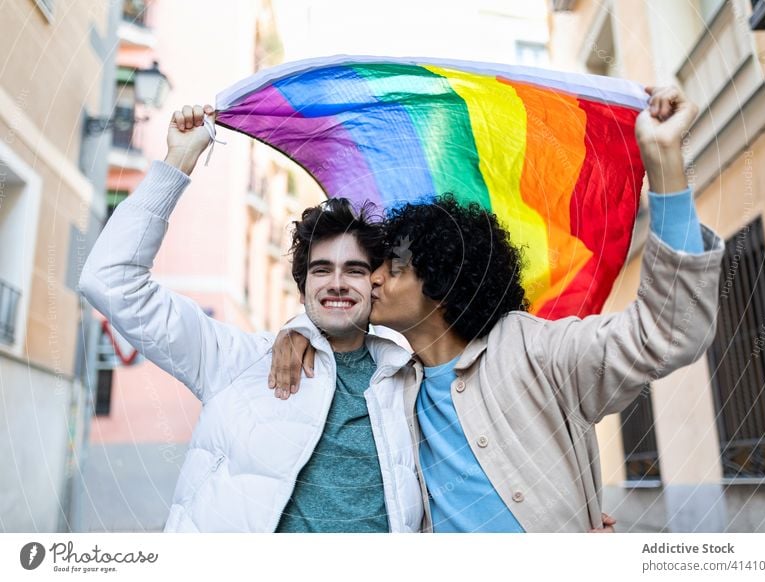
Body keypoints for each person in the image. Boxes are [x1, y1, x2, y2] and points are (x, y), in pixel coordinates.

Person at [270, 86, 725, 532]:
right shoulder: (390, 379)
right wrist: (298, 332)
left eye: (391, 269)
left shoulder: (537, 352)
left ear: (442, 281)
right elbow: (331, 319)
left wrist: (665, 167)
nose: (371, 279)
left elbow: (668, 331)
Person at [79, 104, 423, 532]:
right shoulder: (239, 361)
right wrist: (178, 162)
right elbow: (109, 281)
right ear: (302, 288)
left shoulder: (411, 383)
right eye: (321, 270)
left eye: (353, 269)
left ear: (373, 283)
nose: (337, 282)